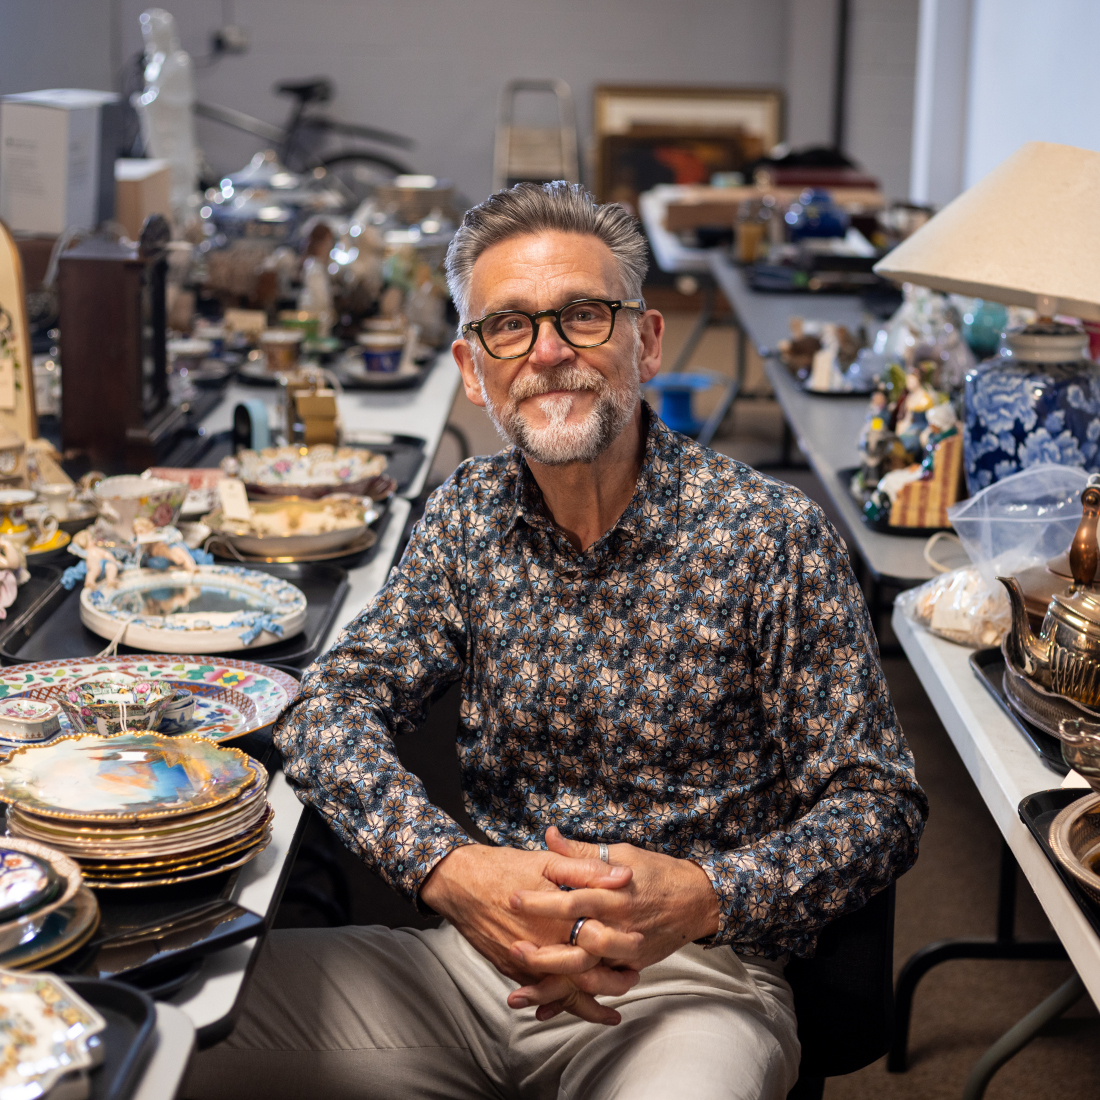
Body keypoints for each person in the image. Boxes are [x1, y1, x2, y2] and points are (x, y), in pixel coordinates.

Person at [186, 182, 927, 1100]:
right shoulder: (467, 516)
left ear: (645, 341)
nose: (547, 353)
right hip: (477, 966)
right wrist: (451, 870)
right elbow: (326, 710)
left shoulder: (771, 536)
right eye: (510, 326)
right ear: (472, 369)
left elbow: (879, 804)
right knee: (154, 1042)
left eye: (583, 315)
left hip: (691, 983)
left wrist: (704, 895)